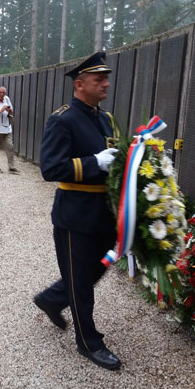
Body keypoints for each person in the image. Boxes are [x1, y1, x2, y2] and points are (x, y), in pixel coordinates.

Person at [33, 51, 122, 370]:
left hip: (105, 214)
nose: (106, 84)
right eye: (99, 79)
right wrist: (94, 162)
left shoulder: (107, 119)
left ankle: (52, 298)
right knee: (82, 283)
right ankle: (88, 342)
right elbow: (50, 168)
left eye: (106, 79)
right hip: (76, 216)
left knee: (100, 266)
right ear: (79, 84)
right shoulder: (63, 119)